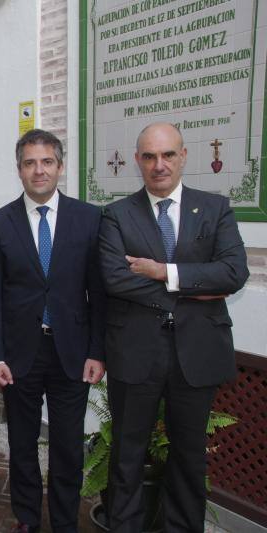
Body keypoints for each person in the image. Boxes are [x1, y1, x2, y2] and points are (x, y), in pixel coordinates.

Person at [99, 122, 249, 532]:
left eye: (167, 155)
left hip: (195, 354)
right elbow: (115, 278)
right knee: (127, 456)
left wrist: (164, 272)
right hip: (135, 352)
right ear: (137, 161)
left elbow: (233, 272)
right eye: (149, 156)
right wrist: (196, 286)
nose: (158, 165)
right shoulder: (116, 215)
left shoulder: (215, 209)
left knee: (188, 456)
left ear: (183, 156)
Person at [0, 129, 106, 533]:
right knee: (22, 445)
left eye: (47, 162)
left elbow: (99, 294)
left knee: (68, 447)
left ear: (60, 166)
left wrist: (98, 351)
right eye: (30, 163)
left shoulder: (89, 218)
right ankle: (28, 519)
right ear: (19, 170)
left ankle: (65, 522)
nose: (39, 170)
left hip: (73, 352)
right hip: (20, 355)